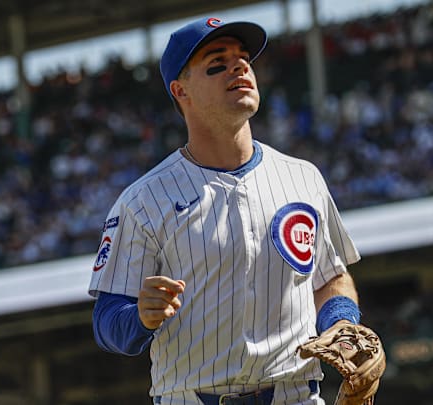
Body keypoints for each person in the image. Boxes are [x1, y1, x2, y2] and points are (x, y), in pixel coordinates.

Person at [89, 17, 366, 405]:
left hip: (295, 395)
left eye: (244, 59)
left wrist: (340, 322)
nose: (238, 67)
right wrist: (140, 317)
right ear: (180, 90)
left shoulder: (303, 178)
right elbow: (106, 322)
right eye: (217, 63)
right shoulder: (143, 202)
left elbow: (331, 278)